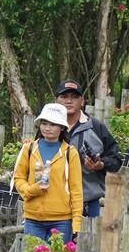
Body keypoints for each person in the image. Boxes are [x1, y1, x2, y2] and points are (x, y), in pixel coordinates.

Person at [13, 102, 83, 241]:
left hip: (62, 221)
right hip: (32, 220)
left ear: (62, 127)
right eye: (44, 123)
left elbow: (76, 190)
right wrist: (32, 190)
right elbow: (18, 178)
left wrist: (76, 223)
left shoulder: (70, 152)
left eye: (53, 124)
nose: (47, 128)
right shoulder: (29, 149)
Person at [53, 79, 122, 221]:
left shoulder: (96, 128)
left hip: (88, 203)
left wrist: (101, 164)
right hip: (53, 203)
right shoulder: (47, 128)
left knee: (88, 242)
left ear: (82, 101)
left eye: (74, 97)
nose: (69, 101)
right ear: (56, 100)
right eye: (64, 96)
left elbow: (116, 160)